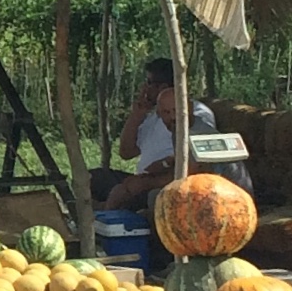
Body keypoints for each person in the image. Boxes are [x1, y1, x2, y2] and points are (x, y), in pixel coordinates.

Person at [95, 57, 243, 210]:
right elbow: (126, 152)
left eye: (149, 82)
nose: (172, 116)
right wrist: (136, 115)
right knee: (95, 178)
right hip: (151, 177)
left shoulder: (197, 118)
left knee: (151, 196)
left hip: (187, 185)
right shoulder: (157, 118)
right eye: (166, 112)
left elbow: (194, 167)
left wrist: (149, 179)